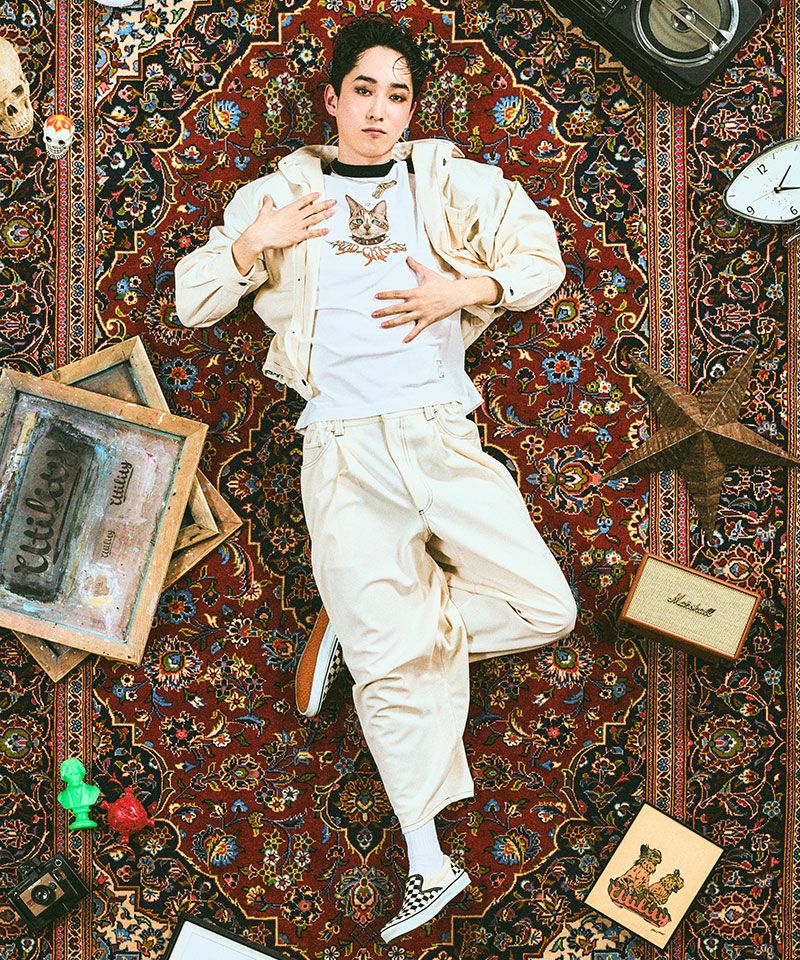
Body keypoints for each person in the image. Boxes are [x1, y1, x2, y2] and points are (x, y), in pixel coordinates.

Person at [175, 14, 577, 942]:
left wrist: (461, 289)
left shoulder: (451, 182)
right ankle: (428, 864)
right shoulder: (279, 195)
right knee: (395, 662)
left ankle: (364, 640)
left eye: (398, 95)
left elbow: (540, 261)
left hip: (440, 432)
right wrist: (254, 242)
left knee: (547, 610)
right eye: (364, 90)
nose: (380, 110)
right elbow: (194, 303)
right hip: (343, 448)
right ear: (331, 98)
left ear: (411, 109)